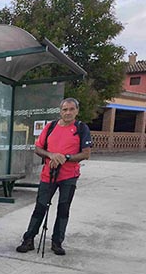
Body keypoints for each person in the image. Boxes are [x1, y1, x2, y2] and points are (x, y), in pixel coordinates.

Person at [16, 98, 92, 255]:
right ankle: (28, 239)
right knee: (40, 207)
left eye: (71, 109)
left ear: (77, 111)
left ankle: (57, 242)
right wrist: (51, 155)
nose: (68, 112)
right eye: (65, 109)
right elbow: (38, 149)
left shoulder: (81, 128)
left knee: (63, 209)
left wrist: (65, 157)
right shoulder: (50, 127)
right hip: (48, 175)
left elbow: (86, 154)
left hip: (69, 176)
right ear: (60, 111)